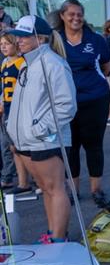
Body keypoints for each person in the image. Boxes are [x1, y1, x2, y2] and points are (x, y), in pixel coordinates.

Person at [7, 15, 77, 243]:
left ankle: (59, 239)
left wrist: (39, 129)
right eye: (17, 36)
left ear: (41, 37)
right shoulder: (29, 63)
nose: (19, 41)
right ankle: (52, 233)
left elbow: (67, 105)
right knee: (45, 188)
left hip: (46, 140)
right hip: (28, 140)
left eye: (25, 36)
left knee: (54, 187)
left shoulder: (53, 63)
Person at [54, 0, 110, 205]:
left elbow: (106, 66)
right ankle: (74, 191)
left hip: (95, 99)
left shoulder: (95, 40)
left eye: (79, 14)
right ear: (62, 16)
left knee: (93, 146)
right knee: (71, 147)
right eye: (71, 14)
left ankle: (97, 190)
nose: (76, 18)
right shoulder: (56, 40)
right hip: (66, 102)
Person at [0, 33, 27, 192]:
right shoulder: (4, 63)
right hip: (7, 108)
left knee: (20, 147)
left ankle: (33, 181)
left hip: (19, 110)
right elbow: (4, 87)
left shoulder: (21, 63)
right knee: (8, 146)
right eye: (1, 43)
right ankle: (13, 179)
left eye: (7, 43)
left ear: (16, 45)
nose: (3, 46)